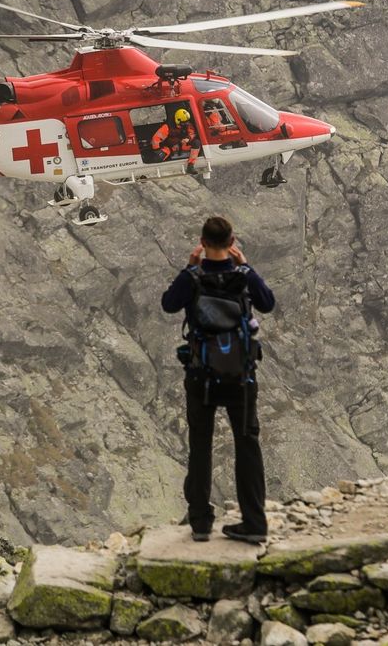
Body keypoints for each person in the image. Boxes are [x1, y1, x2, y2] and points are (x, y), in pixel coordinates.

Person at [162, 216, 275, 543]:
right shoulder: (242, 278)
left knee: (200, 444)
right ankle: (254, 522)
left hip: (202, 375)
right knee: (247, 445)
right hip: (241, 375)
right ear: (232, 241)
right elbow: (267, 303)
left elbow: (169, 305)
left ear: (201, 242)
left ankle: (200, 522)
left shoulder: (193, 279)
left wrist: (188, 267)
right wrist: (248, 268)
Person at [150, 108, 201, 174]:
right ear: (178, 120)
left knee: (196, 143)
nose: (186, 123)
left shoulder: (187, 124)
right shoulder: (167, 127)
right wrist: (157, 150)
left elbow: (192, 133)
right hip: (170, 148)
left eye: (187, 122)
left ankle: (191, 165)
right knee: (158, 157)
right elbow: (156, 139)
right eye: (184, 122)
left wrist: (188, 138)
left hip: (183, 145)